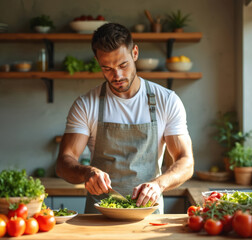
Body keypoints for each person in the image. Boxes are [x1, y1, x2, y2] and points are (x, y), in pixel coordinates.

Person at [56, 23, 194, 214]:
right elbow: (64, 162)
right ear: (98, 62)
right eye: (107, 68)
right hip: (100, 216)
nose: (117, 75)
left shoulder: (166, 101)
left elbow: (186, 161)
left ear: (135, 53)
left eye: (123, 65)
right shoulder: (86, 104)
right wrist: (86, 172)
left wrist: (159, 184)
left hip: (148, 215)